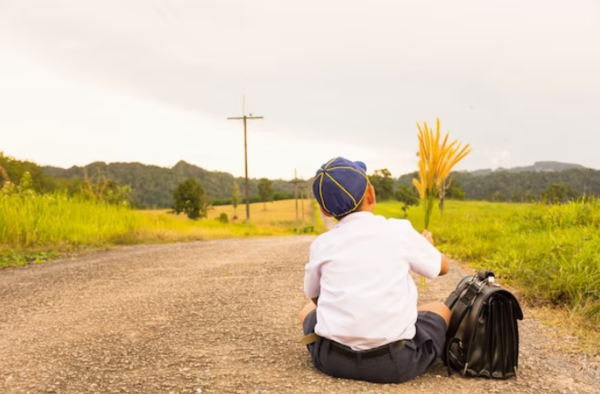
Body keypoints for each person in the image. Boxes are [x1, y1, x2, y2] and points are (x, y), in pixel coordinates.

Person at [300, 157, 451, 384]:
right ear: (371, 195)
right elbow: (443, 268)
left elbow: (314, 297)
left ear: (325, 210)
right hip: (396, 363)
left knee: (305, 311)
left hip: (332, 359)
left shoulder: (322, 244)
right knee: (441, 309)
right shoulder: (398, 230)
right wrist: (427, 247)